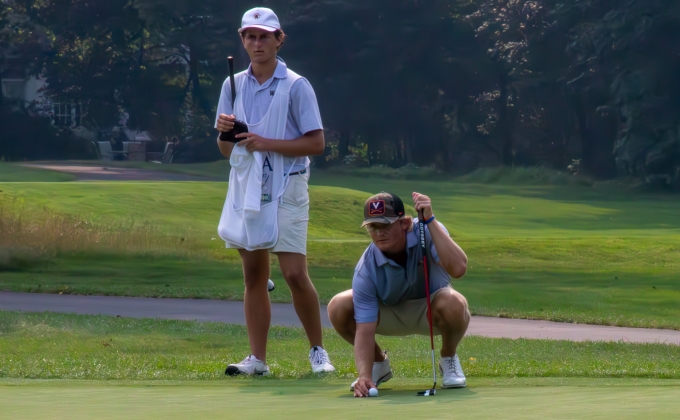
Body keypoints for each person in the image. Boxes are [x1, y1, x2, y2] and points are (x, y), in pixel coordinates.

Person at [214, 7, 334, 376]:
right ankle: (258, 360)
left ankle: (318, 350)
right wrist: (225, 134)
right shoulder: (232, 85)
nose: (257, 43)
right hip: (250, 184)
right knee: (253, 274)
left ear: (279, 39)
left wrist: (265, 142)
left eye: (264, 36)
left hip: (289, 183)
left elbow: (316, 143)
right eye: (250, 36)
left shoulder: (296, 85)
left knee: (294, 272)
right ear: (242, 39)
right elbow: (226, 150)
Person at [327, 192, 470, 397]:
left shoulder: (427, 230)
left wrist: (430, 220)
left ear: (404, 223)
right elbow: (364, 329)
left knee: (454, 302)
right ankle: (378, 366)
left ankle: (448, 358)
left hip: (431, 308)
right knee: (339, 306)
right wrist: (364, 375)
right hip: (389, 313)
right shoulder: (366, 268)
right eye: (373, 227)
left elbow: (459, 269)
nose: (379, 233)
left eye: (385, 225)